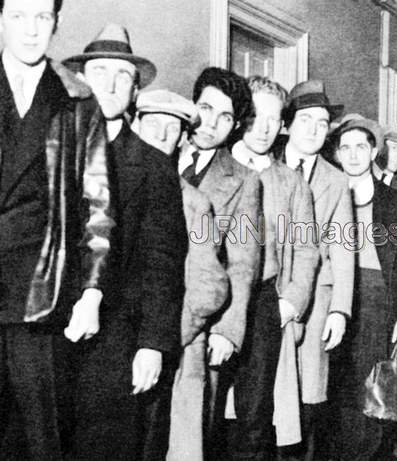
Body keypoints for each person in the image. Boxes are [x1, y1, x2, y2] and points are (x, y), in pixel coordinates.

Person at [64, 24, 188, 460]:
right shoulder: (57, 150)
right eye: (99, 71)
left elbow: (164, 262)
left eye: (123, 75)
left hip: (118, 338)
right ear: (82, 80)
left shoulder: (154, 167)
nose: (110, 83)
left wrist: (152, 343)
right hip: (50, 333)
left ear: (135, 90)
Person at [0, 1, 114, 458]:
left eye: (42, 18)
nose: (31, 30)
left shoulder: (78, 101)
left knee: (40, 442)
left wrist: (92, 293)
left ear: (56, 24)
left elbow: (100, 208)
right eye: (18, 16)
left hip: (40, 294)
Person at [132, 88, 229, 461]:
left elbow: (211, 286)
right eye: (151, 124)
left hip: (163, 348)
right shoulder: (100, 182)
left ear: (183, 139)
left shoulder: (194, 202)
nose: (159, 135)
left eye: (171, 129)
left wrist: (165, 336)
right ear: (134, 125)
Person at [228, 76, 319, 459]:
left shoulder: (290, 182)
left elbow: (306, 249)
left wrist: (290, 303)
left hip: (266, 302)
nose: (264, 127)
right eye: (256, 115)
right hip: (218, 300)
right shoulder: (217, 167)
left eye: (274, 118)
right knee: (210, 408)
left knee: (256, 412)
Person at [179, 67, 261, 459]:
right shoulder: (156, 149)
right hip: (143, 315)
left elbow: (243, 262)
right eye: (206, 108)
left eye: (225, 117)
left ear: (235, 127)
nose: (210, 123)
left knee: (192, 432)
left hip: (200, 323)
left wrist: (228, 330)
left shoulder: (244, 181)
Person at [274, 80, 354, 460]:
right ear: (287, 124)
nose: (314, 130)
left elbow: (342, 248)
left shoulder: (337, 181)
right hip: (268, 294)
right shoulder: (263, 165)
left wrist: (340, 308)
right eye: (305, 120)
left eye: (322, 124)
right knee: (261, 394)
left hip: (317, 301)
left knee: (308, 398)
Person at [330, 117, 397, 460]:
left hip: (376, 297)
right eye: (346, 148)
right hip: (333, 294)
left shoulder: (394, 202)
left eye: (361, 147)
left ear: (373, 152)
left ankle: (367, 452)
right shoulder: (325, 192)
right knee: (335, 384)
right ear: (337, 154)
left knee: (371, 385)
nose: (353, 155)